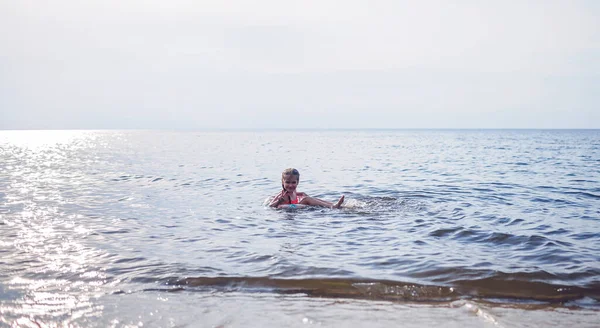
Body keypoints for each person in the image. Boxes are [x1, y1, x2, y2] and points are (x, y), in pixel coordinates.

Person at [268, 168, 344, 209]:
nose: (290, 185)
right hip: (287, 208)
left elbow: (297, 194)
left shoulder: (293, 191)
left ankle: (332, 204)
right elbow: (271, 206)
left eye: (293, 182)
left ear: (297, 182)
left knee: (307, 197)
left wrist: (302, 194)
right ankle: (333, 206)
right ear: (282, 182)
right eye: (287, 182)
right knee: (307, 199)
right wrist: (279, 201)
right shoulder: (282, 194)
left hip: (295, 205)